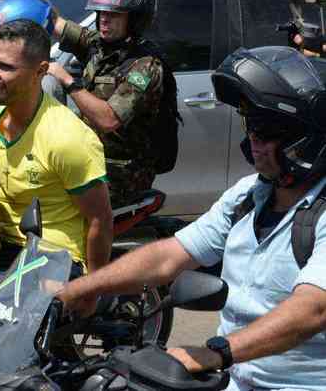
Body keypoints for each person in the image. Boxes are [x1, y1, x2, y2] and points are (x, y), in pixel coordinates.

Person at [56, 46, 326, 390]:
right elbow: (170, 255)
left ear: (307, 137)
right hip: (234, 379)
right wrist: (80, 289)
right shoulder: (248, 196)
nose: (253, 141)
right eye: (250, 126)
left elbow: (313, 309)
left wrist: (218, 353)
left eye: (267, 130)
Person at [15, 0, 174, 208]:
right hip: (87, 157)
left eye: (113, 15)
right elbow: (54, 21)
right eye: (101, 13)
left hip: (121, 172)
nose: (104, 20)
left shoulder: (145, 66)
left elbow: (109, 120)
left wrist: (69, 81)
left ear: (134, 19)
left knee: (52, 202)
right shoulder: (97, 44)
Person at [0, 19, 113, 274]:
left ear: (40, 71)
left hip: (53, 259)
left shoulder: (67, 138)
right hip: (2, 250)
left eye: (6, 67)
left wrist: (91, 289)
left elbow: (100, 219)